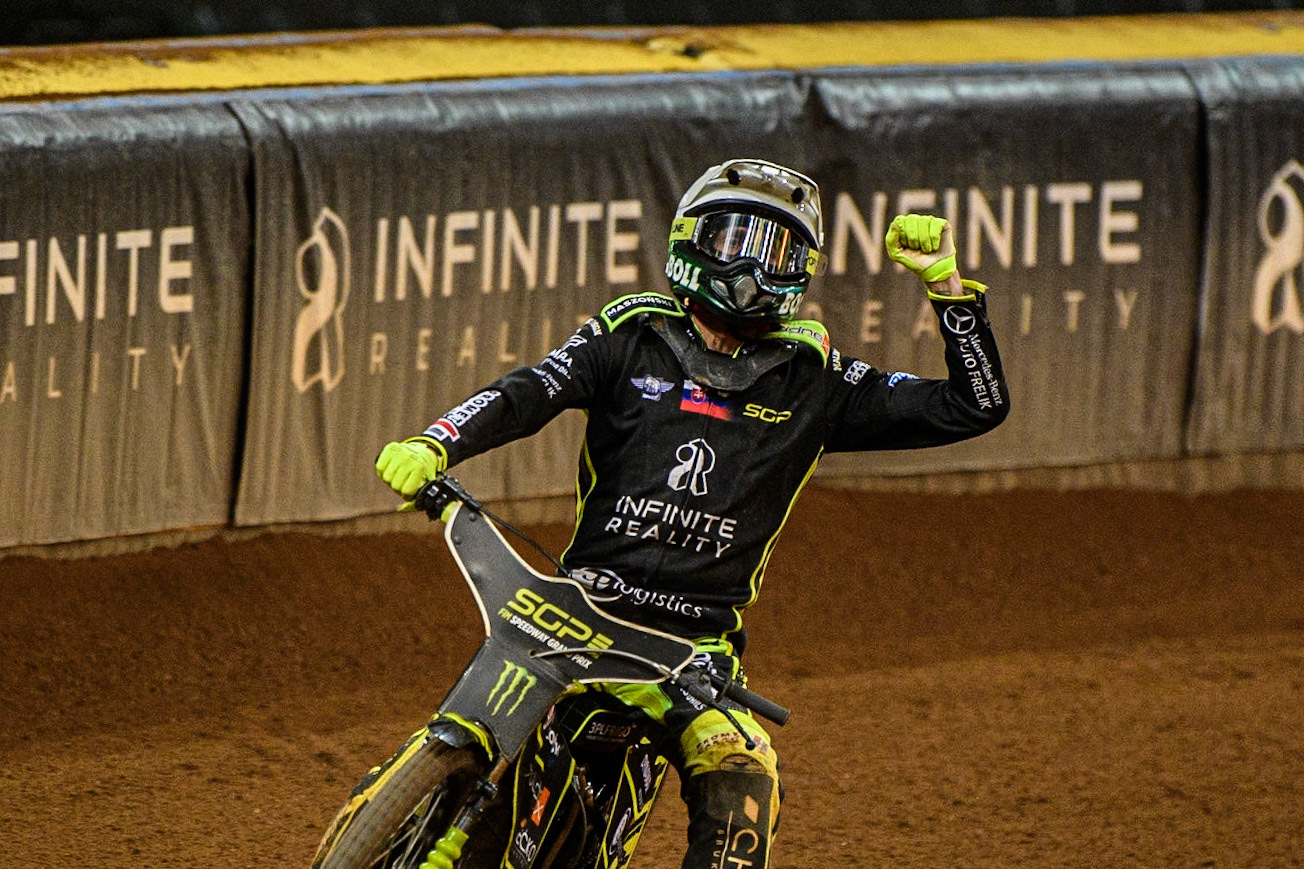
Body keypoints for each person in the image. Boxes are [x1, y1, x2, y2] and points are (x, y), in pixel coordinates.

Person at [375, 159, 1008, 869]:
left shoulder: (815, 376)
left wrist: (947, 289)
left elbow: (973, 405)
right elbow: (530, 391)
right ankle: (390, 815)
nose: (753, 270)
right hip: (572, 617)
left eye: (778, 254)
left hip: (691, 654)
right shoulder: (630, 330)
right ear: (690, 241)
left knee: (745, 771)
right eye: (735, 240)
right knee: (486, 731)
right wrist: (438, 441)